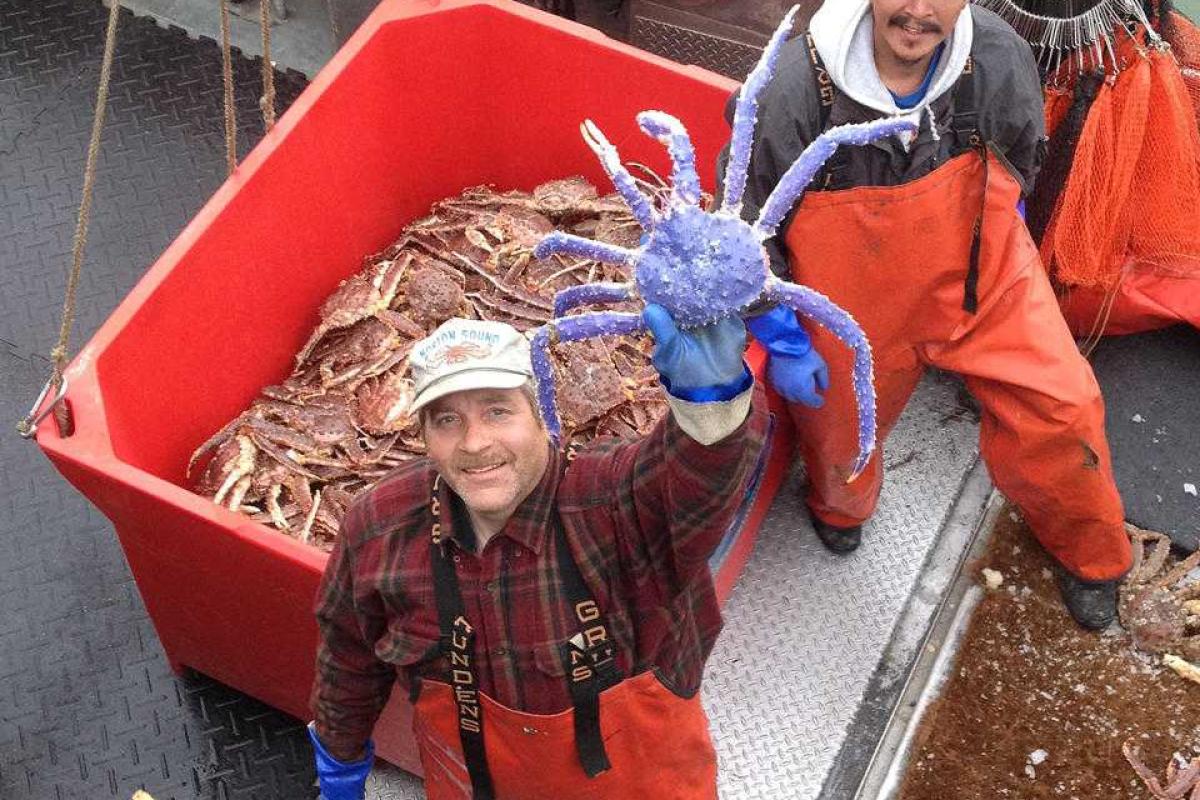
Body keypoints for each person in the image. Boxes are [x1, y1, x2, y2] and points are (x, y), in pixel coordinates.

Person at [723, 0, 1133, 629]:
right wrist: (782, 339)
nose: (917, 12)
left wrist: (1003, 231)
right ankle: (841, 511)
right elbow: (748, 228)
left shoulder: (997, 56)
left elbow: (1024, 156)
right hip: (851, 304)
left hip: (981, 268)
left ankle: (1093, 555)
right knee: (842, 432)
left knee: (1064, 405)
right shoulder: (790, 86)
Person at [308, 309, 768, 799]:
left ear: (543, 414)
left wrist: (711, 402)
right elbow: (348, 658)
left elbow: (699, 479)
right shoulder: (378, 526)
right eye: (446, 419)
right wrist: (339, 759)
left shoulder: (615, 498)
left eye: (497, 410)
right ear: (423, 435)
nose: (475, 442)